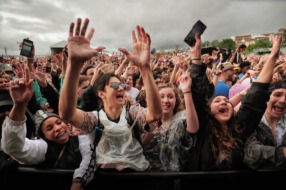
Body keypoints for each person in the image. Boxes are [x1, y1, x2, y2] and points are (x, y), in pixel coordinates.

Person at [59, 18, 162, 172]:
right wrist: (74, 65)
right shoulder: (95, 119)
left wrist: (145, 68)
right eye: (114, 85)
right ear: (101, 94)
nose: (120, 88)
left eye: (121, 85)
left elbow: (155, 114)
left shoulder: (132, 114)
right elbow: (67, 113)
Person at [187, 34, 283, 171]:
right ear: (208, 110)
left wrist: (273, 56)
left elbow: (256, 94)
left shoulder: (240, 127)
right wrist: (196, 54)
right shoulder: (203, 128)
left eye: (227, 101)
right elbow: (197, 94)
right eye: (217, 101)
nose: (224, 103)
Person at [1, 65, 96, 190]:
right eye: (49, 128)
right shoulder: (43, 148)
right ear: (43, 136)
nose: (57, 128)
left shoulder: (80, 138)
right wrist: (19, 105)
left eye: (58, 122)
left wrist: (78, 182)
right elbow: (14, 148)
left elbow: (88, 157)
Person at [142, 72, 199, 171]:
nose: (166, 100)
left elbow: (193, 129)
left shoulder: (182, 119)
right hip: (151, 178)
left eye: (170, 96)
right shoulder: (145, 121)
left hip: (177, 178)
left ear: (176, 100)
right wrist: (146, 139)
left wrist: (186, 91)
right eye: (161, 97)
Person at [244, 79, 286, 170]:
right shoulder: (251, 121)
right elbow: (250, 153)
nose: (283, 100)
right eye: (277, 95)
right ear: (267, 97)